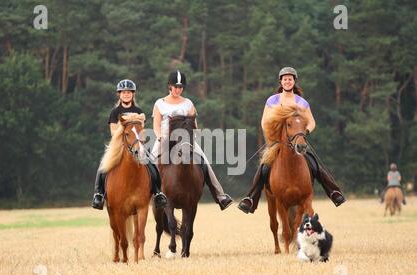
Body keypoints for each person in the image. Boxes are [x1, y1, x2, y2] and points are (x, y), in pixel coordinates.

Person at [238, 67, 346, 214]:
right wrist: (272, 136)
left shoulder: (302, 102)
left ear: (294, 81)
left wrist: (304, 133)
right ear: (281, 81)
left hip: (298, 141)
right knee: (264, 168)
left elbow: (312, 122)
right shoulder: (272, 100)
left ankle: (334, 192)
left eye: (290, 79)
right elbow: (264, 122)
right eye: (285, 79)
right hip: (277, 141)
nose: (287, 81)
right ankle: (250, 198)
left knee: (315, 165)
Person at [151, 70, 233, 210]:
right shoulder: (160, 103)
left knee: (204, 162)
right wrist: (160, 138)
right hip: (165, 139)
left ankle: (220, 196)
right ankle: (151, 195)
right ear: (169, 86)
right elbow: (156, 125)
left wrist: (193, 135)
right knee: (150, 163)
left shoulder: (188, 103)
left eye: (181, 87)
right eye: (176, 86)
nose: (178, 89)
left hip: (185, 140)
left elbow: (194, 125)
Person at [92, 79, 168, 210]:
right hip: (119, 145)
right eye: (123, 92)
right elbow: (113, 131)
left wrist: (138, 141)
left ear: (133, 94)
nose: (126, 94)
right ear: (119, 95)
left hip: (137, 144)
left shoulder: (138, 110)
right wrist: (124, 134)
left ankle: (158, 193)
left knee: (152, 164)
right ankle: (99, 194)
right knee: (103, 166)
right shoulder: (115, 112)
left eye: (129, 92)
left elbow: (141, 130)